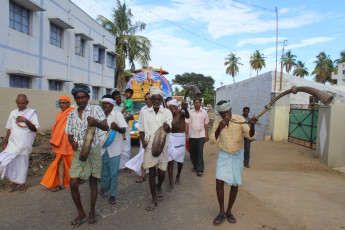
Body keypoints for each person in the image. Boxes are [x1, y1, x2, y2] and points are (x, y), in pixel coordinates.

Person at [65, 86, 109, 228]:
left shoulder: (96, 109)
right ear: (75, 99)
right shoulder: (72, 114)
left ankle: (92, 212)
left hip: (94, 150)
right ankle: (81, 213)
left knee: (93, 182)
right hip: (79, 153)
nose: (81, 100)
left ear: (88, 97)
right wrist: (72, 143)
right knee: (73, 184)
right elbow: (69, 134)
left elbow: (105, 127)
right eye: (78, 98)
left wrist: (95, 122)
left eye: (83, 97)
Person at [210, 100, 257, 225]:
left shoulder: (239, 119)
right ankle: (221, 212)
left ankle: (229, 211)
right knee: (219, 181)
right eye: (222, 114)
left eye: (227, 112)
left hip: (237, 155)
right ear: (219, 113)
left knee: (235, 183)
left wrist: (252, 125)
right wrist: (220, 126)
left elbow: (250, 135)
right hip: (224, 155)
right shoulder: (217, 122)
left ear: (230, 110)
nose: (225, 115)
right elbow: (212, 140)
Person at [139, 86, 172, 211]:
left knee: (162, 172)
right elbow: (141, 129)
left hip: (163, 146)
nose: (157, 101)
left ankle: (159, 187)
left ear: (161, 100)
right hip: (149, 146)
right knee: (152, 172)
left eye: (159, 99)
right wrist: (143, 141)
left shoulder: (167, 112)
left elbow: (169, 129)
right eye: (154, 99)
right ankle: (153, 200)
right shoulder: (145, 113)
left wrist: (167, 127)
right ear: (151, 100)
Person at [0, 94, 39, 194]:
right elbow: (9, 129)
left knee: (22, 163)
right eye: (18, 103)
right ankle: (14, 181)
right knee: (9, 162)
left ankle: (21, 183)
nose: (20, 105)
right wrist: (5, 143)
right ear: (16, 102)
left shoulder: (31, 113)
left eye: (22, 103)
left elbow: (35, 129)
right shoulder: (13, 113)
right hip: (12, 143)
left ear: (27, 103)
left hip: (24, 143)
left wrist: (25, 120)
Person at [41, 95, 75, 192]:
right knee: (60, 161)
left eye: (64, 102)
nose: (62, 104)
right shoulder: (59, 114)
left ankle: (74, 180)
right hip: (60, 142)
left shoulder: (73, 112)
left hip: (70, 142)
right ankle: (61, 183)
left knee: (72, 162)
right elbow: (57, 128)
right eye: (60, 103)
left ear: (68, 103)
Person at [98, 95, 127, 206]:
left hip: (114, 148)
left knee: (113, 173)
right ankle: (104, 187)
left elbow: (123, 129)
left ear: (112, 105)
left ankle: (112, 194)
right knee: (101, 173)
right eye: (103, 103)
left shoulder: (117, 115)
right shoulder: (99, 115)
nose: (105, 105)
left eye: (107, 103)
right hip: (101, 148)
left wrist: (117, 128)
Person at [125, 92, 152, 183]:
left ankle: (153, 172)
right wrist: (141, 138)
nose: (147, 101)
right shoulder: (143, 109)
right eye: (146, 99)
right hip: (145, 136)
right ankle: (143, 175)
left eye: (149, 99)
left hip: (155, 137)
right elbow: (140, 124)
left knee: (155, 156)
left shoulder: (159, 109)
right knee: (142, 155)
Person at [166, 99, 189, 192]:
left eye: (174, 106)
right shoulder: (167, 116)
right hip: (170, 137)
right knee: (170, 160)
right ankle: (170, 181)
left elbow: (187, 115)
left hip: (180, 138)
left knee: (180, 160)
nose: (173, 108)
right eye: (171, 107)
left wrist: (185, 109)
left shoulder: (181, 113)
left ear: (177, 107)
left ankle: (178, 175)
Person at [186, 98, 209, 177]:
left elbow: (206, 124)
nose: (197, 104)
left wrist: (206, 135)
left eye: (198, 102)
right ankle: (195, 166)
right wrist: (186, 135)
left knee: (199, 153)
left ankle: (200, 169)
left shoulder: (204, 112)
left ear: (200, 103)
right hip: (192, 135)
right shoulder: (190, 112)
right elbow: (187, 123)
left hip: (201, 135)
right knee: (193, 153)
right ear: (193, 104)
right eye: (195, 102)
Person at [112, 90, 133, 170]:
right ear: (114, 99)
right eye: (116, 97)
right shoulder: (113, 107)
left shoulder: (125, 104)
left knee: (126, 149)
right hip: (116, 131)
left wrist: (129, 117)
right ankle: (117, 166)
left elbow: (132, 116)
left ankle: (126, 166)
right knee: (117, 149)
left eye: (119, 96)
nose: (119, 98)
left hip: (126, 130)